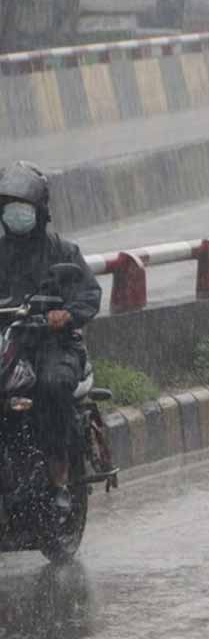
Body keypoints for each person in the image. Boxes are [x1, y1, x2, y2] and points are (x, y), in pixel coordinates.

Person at [0, 163, 102, 513]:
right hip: (8, 342)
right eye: (8, 207)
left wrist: (65, 314)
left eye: (22, 207)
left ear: (39, 211)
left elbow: (89, 294)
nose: (15, 214)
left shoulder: (62, 252)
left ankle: (58, 480)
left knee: (51, 386)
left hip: (53, 346)